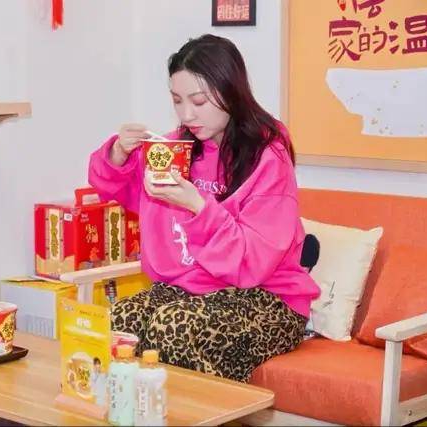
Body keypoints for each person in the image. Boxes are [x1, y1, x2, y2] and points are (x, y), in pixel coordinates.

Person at [88, 34, 320, 383]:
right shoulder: (179, 148)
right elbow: (121, 187)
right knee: (117, 322)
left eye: (198, 101)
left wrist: (198, 206)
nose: (186, 114)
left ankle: (205, 410)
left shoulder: (267, 157)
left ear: (230, 91)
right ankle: (133, 409)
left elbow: (252, 262)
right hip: (193, 289)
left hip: (268, 297)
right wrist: (119, 153)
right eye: (177, 100)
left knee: (173, 326)